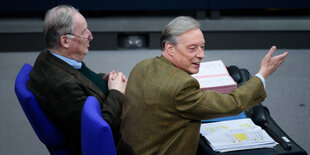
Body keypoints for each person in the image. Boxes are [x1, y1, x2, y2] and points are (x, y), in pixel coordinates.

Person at [119, 16, 288, 155]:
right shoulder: (181, 86)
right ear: (170, 48)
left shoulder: (142, 65)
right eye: (192, 48)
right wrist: (262, 75)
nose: (201, 55)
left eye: (202, 47)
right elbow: (231, 104)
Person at [28, 5, 127, 155]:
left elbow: (81, 76)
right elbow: (100, 132)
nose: (90, 35)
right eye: (84, 32)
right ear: (65, 41)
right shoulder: (62, 86)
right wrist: (116, 92)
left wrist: (103, 79)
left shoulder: (50, 57)